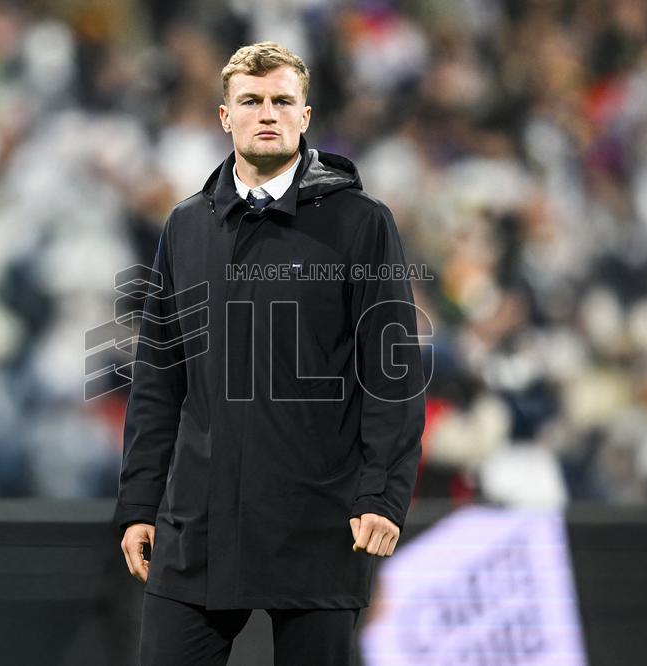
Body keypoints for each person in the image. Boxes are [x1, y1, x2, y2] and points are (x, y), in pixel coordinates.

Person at [114, 41, 426, 665]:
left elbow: (393, 374)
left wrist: (382, 496)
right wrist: (139, 503)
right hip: (198, 522)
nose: (267, 113)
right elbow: (158, 379)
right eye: (251, 101)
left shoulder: (361, 223)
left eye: (283, 101)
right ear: (224, 115)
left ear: (306, 117)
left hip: (322, 521)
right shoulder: (186, 226)